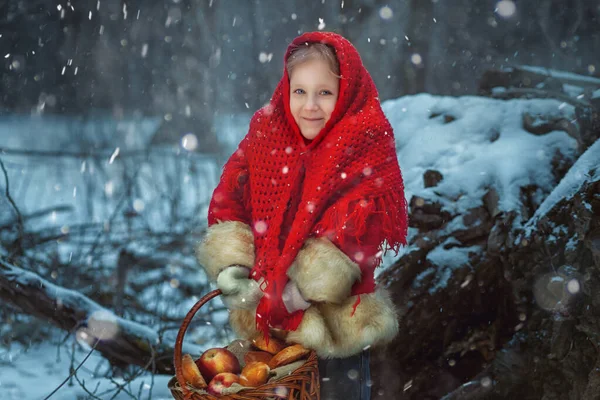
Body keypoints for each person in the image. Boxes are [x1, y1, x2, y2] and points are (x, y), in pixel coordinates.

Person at [196, 31, 408, 399]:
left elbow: (361, 230)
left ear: (346, 92)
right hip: (266, 322)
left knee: (336, 389)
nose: (310, 105)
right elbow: (231, 198)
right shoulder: (267, 132)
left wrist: (298, 292)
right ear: (286, 89)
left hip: (335, 326)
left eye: (324, 92)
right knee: (272, 387)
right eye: (300, 91)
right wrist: (234, 268)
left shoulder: (365, 139)